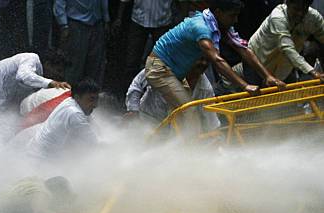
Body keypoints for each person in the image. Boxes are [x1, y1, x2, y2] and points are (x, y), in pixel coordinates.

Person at [145, 0, 286, 134]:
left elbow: (244, 49)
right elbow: (217, 61)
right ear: (218, 12)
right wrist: (245, 86)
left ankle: (174, 145)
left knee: (182, 112)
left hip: (175, 71)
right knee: (188, 110)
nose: (235, 20)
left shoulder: (218, 25)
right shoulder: (201, 27)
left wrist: (268, 76)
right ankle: (187, 150)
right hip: (159, 68)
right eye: (232, 15)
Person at [234, 0, 324, 85]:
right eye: (296, 9)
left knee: (284, 96)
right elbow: (288, 49)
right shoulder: (277, 17)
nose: (300, 14)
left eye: (304, 9)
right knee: (258, 96)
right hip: (256, 62)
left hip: (284, 65)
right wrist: (314, 72)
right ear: (287, 2)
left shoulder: (313, 17)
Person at [125, 66, 220, 131]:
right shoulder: (163, 67)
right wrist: (133, 110)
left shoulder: (204, 87)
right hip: (148, 119)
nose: (202, 63)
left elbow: (210, 120)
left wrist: (214, 139)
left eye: (206, 60)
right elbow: (136, 86)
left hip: (177, 130)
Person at [116, 0, 174, 104]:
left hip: (162, 20)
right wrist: (119, 18)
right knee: (132, 63)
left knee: (162, 64)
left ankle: (157, 102)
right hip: (139, 20)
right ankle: (127, 99)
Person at [0, 52, 70, 113]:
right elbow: (23, 76)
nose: (59, 76)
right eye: (58, 70)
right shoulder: (31, 58)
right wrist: (51, 82)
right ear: (48, 64)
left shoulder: (36, 77)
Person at [25, 78, 100, 159]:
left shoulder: (70, 101)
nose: (95, 105)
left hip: (34, 149)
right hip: (40, 158)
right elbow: (93, 143)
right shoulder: (75, 114)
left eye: (96, 99)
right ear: (77, 97)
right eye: (91, 99)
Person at [54, 0, 109, 86]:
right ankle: (70, 93)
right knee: (75, 64)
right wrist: (63, 25)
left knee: (95, 64)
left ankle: (91, 93)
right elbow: (59, 4)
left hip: (97, 23)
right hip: (76, 24)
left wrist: (106, 19)